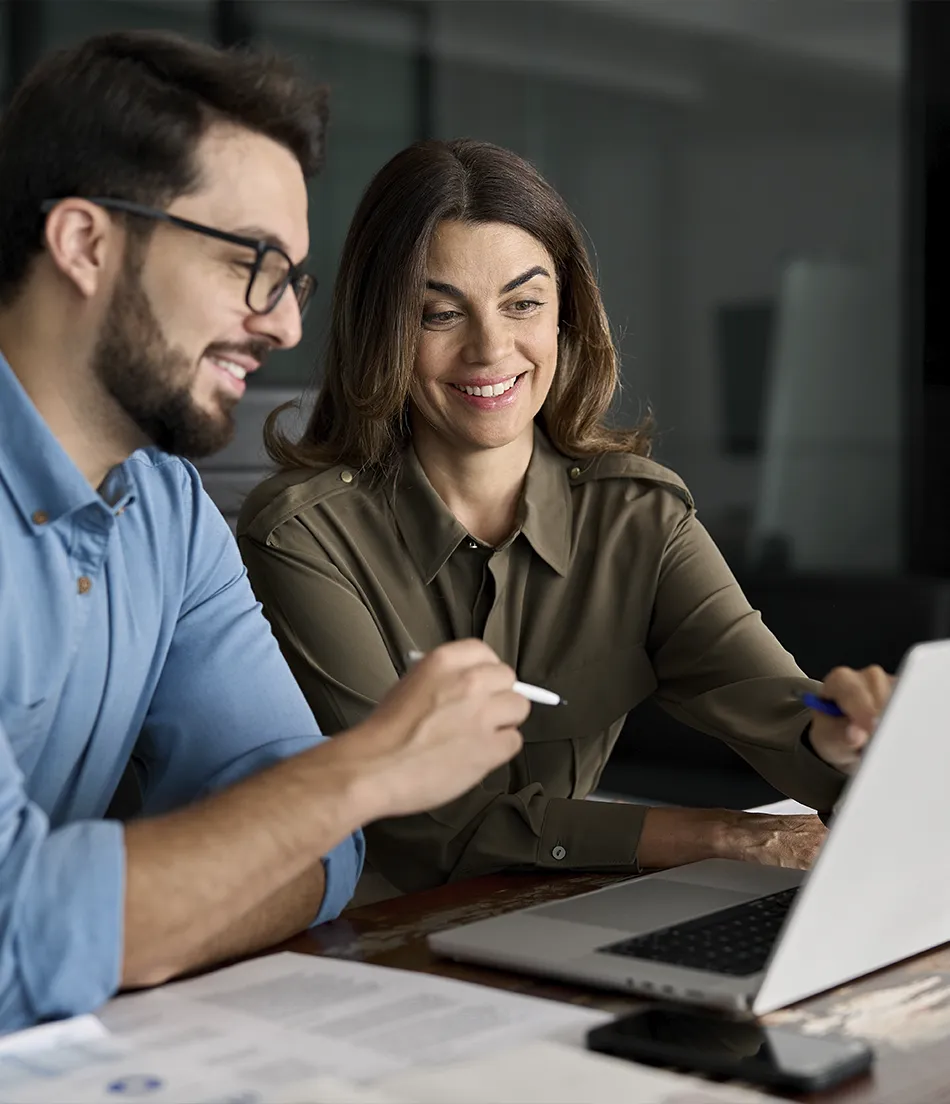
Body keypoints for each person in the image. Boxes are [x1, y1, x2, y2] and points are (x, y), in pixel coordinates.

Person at [0, 39, 530, 1034]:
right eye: (252, 264)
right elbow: (14, 932)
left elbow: (323, 856)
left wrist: (126, 920)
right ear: (83, 243)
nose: (285, 325)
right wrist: (365, 770)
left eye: (293, 280)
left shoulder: (168, 512)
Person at [238, 138, 894, 900]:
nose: (491, 349)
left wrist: (838, 737)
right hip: (373, 939)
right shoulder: (302, 535)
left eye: (524, 303)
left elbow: (774, 705)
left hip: (572, 909)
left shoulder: (637, 516)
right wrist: (713, 837)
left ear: (565, 316)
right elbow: (419, 831)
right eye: (440, 313)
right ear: (381, 328)